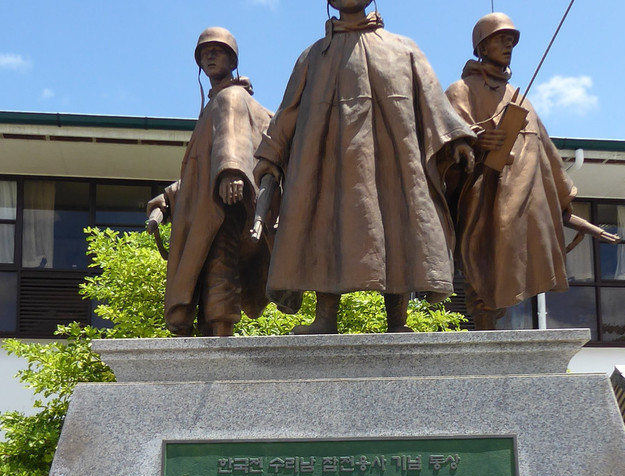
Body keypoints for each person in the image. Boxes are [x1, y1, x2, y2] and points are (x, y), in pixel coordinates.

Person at [253, 0, 475, 334]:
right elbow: (288, 111)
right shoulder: (314, 56)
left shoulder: (404, 49)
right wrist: (271, 155)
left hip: (394, 162)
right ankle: (325, 317)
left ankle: (397, 320)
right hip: (327, 163)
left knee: (398, 225)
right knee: (324, 227)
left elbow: (432, 100)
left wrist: (456, 138)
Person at [445, 13, 582, 330]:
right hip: (479, 195)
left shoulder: (521, 100)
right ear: (481, 45)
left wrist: (563, 198)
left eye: (512, 39)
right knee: (480, 265)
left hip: (520, 199)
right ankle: (481, 321)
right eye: (499, 38)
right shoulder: (460, 90)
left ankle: (491, 323)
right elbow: (443, 136)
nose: (508, 44)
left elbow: (546, 152)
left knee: (509, 266)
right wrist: (474, 140)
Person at [148, 28, 276, 337]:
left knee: (221, 260)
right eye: (205, 52)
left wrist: (230, 170)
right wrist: (166, 200)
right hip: (208, 199)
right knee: (207, 267)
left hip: (226, 202)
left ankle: (221, 329)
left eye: (217, 51)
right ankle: (210, 327)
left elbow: (234, 137)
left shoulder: (232, 97)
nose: (210, 55)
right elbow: (197, 170)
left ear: (233, 58)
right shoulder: (214, 103)